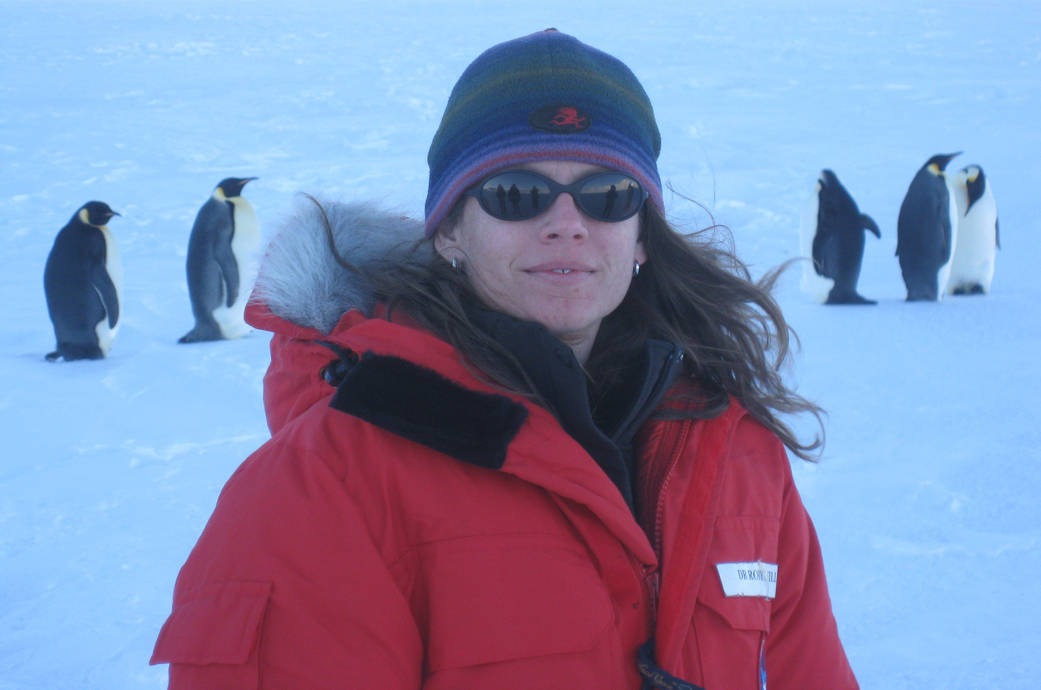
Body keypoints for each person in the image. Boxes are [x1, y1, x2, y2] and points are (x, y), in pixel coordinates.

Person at [151, 29, 858, 689]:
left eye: (607, 196)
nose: (566, 223)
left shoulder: (733, 449)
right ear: (450, 230)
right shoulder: (326, 486)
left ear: (641, 236)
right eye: (516, 194)